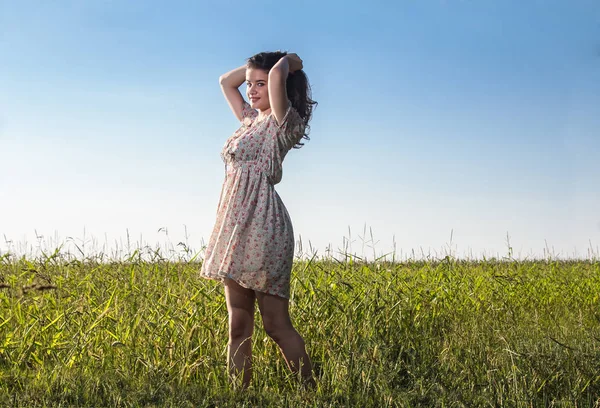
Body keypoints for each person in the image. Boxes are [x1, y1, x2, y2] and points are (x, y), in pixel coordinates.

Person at [200, 51, 317, 388]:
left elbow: (280, 75)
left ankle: (310, 392)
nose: (250, 90)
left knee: (276, 325)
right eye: (250, 84)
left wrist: (288, 60)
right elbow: (226, 81)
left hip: (264, 225)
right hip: (234, 226)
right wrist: (253, 71)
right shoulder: (249, 119)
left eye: (259, 84)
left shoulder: (284, 122)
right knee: (237, 324)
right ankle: (240, 395)